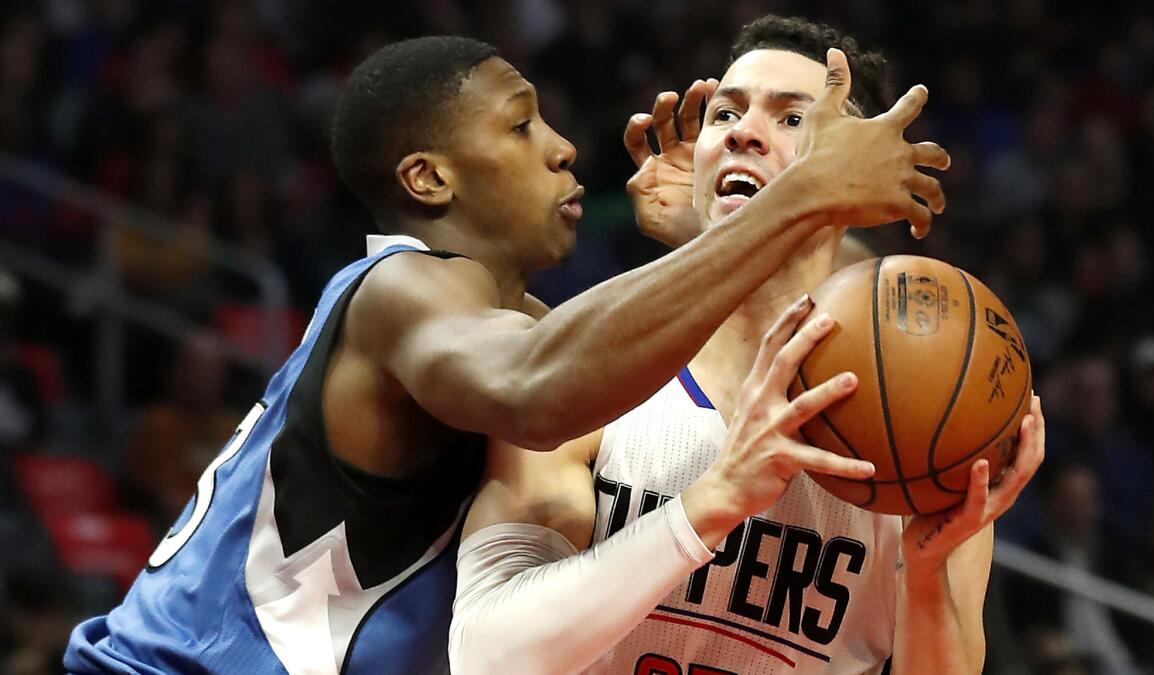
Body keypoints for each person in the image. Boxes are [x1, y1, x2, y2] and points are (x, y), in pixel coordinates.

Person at [64, 32, 948, 675]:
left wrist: (733, 222)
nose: (567, 149)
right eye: (522, 127)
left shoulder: (501, 323)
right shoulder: (404, 292)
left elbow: (832, 300)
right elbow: (541, 387)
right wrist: (782, 206)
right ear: (430, 179)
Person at [449, 16, 1043, 674]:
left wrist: (926, 575)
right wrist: (714, 499)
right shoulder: (594, 380)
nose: (741, 130)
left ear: (862, 175)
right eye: (725, 111)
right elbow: (486, 656)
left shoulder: (927, 422)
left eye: (794, 119)